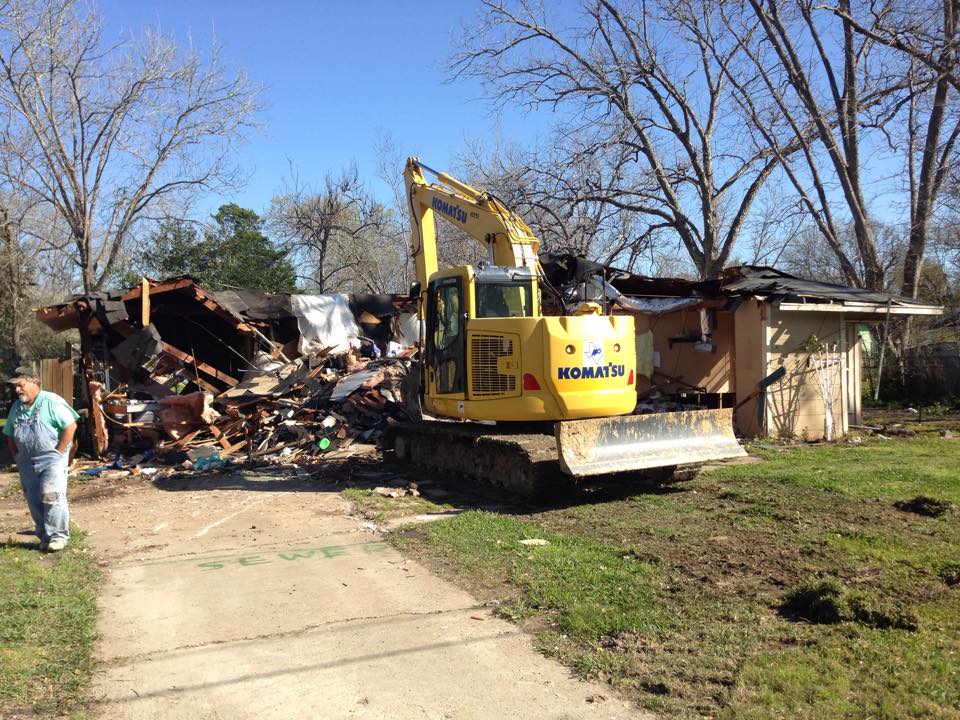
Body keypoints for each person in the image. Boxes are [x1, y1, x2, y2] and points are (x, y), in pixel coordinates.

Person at [4, 367, 79, 552]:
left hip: (51, 459)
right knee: (34, 499)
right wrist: (18, 456)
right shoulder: (16, 408)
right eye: (15, 387)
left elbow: (70, 426)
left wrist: (59, 452)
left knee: (51, 495)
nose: (17, 390)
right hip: (26, 461)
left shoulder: (51, 401)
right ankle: (44, 536)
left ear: (34, 382)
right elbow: (9, 434)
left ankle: (58, 536)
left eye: (20, 386)